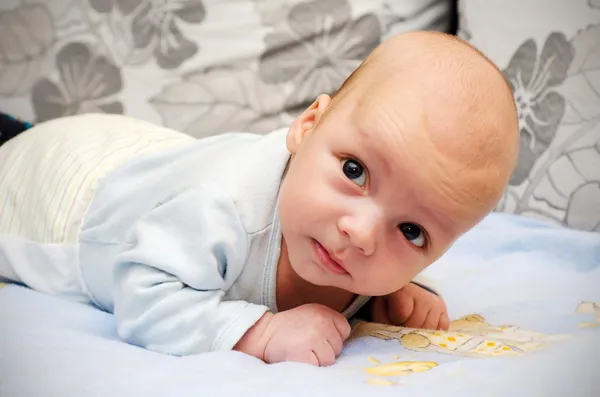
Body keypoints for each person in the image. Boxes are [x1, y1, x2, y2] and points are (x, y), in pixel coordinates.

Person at [0, 31, 519, 367]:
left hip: (163, 157)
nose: (361, 234)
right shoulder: (222, 209)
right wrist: (260, 334)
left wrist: (393, 293)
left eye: (412, 232)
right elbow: (142, 292)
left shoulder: (350, 242)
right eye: (355, 171)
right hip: (70, 192)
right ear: (308, 125)